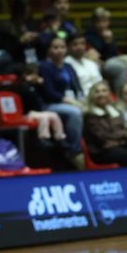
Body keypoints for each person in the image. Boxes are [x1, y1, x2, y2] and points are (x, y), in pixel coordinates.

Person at [37, 36, 86, 168]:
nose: (59, 50)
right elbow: (49, 92)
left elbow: (77, 86)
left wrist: (82, 99)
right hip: (51, 104)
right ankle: (74, 150)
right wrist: (67, 100)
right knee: (75, 113)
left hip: (71, 101)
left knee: (90, 110)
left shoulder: (68, 66)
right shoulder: (45, 67)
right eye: (55, 47)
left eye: (62, 47)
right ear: (49, 50)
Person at [85, 7, 127, 93]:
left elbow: (114, 54)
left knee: (126, 58)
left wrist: (109, 41)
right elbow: (103, 56)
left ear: (108, 22)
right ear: (93, 22)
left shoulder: (108, 34)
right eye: (98, 21)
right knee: (122, 64)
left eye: (104, 21)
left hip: (110, 61)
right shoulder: (89, 36)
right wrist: (107, 42)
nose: (101, 24)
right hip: (101, 65)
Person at [83, 81, 127, 166]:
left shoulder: (114, 110)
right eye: (97, 92)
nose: (101, 94)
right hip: (102, 151)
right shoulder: (89, 115)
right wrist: (123, 136)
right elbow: (102, 138)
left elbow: (125, 130)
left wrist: (121, 138)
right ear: (92, 95)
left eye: (104, 91)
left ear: (108, 94)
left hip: (120, 144)